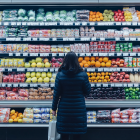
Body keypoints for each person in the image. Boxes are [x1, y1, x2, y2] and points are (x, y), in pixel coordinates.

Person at [52, 51, 91, 140]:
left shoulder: (60, 75)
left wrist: (54, 108)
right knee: (77, 135)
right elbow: (88, 91)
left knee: (64, 135)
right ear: (76, 61)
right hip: (78, 109)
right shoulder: (83, 75)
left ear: (65, 61)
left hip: (64, 109)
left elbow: (56, 94)